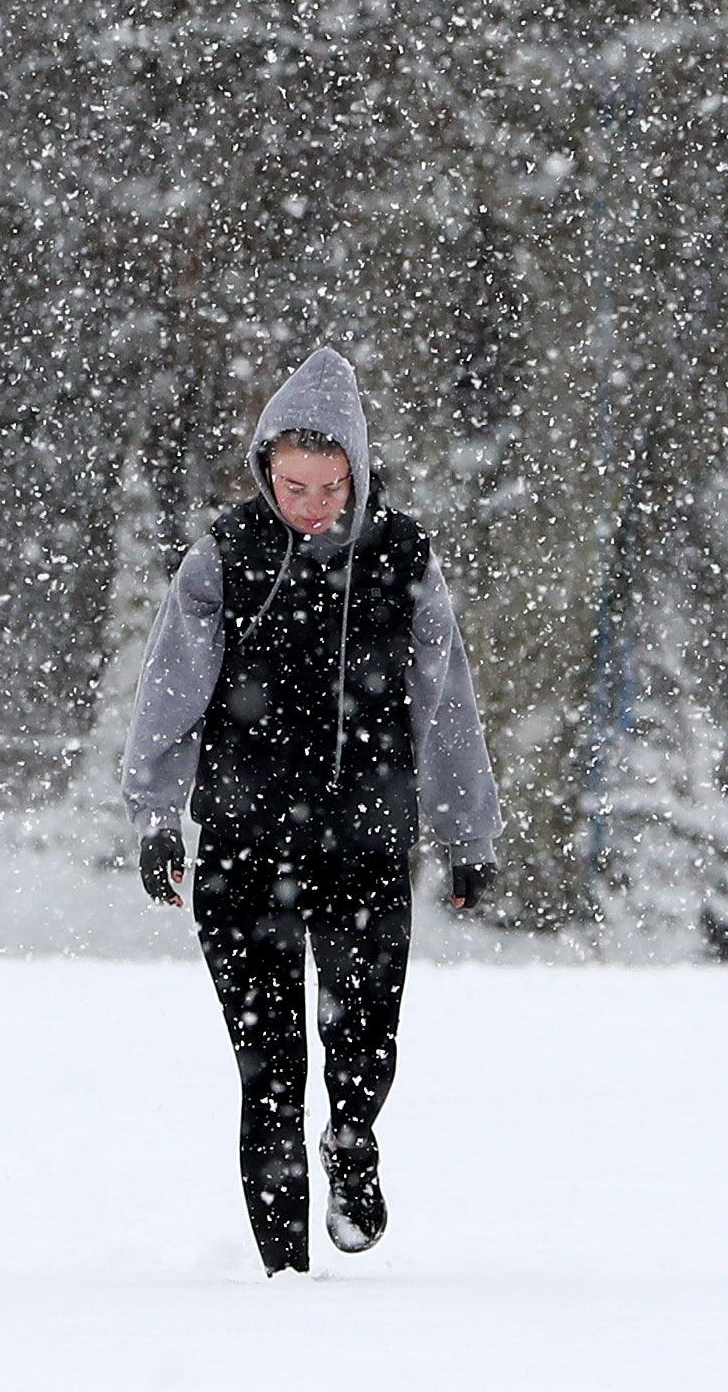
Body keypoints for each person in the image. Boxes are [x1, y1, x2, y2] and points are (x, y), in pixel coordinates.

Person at [124, 344, 499, 1273]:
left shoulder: (401, 559)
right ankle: (283, 1272)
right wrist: (157, 815)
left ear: (359, 474)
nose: (314, 507)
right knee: (268, 1066)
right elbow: (169, 693)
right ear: (265, 471)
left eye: (332, 486)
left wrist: (465, 833)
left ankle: (355, 1144)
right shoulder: (226, 557)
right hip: (244, 846)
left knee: (363, 1030)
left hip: (365, 840)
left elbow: (444, 700)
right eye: (294, 485)